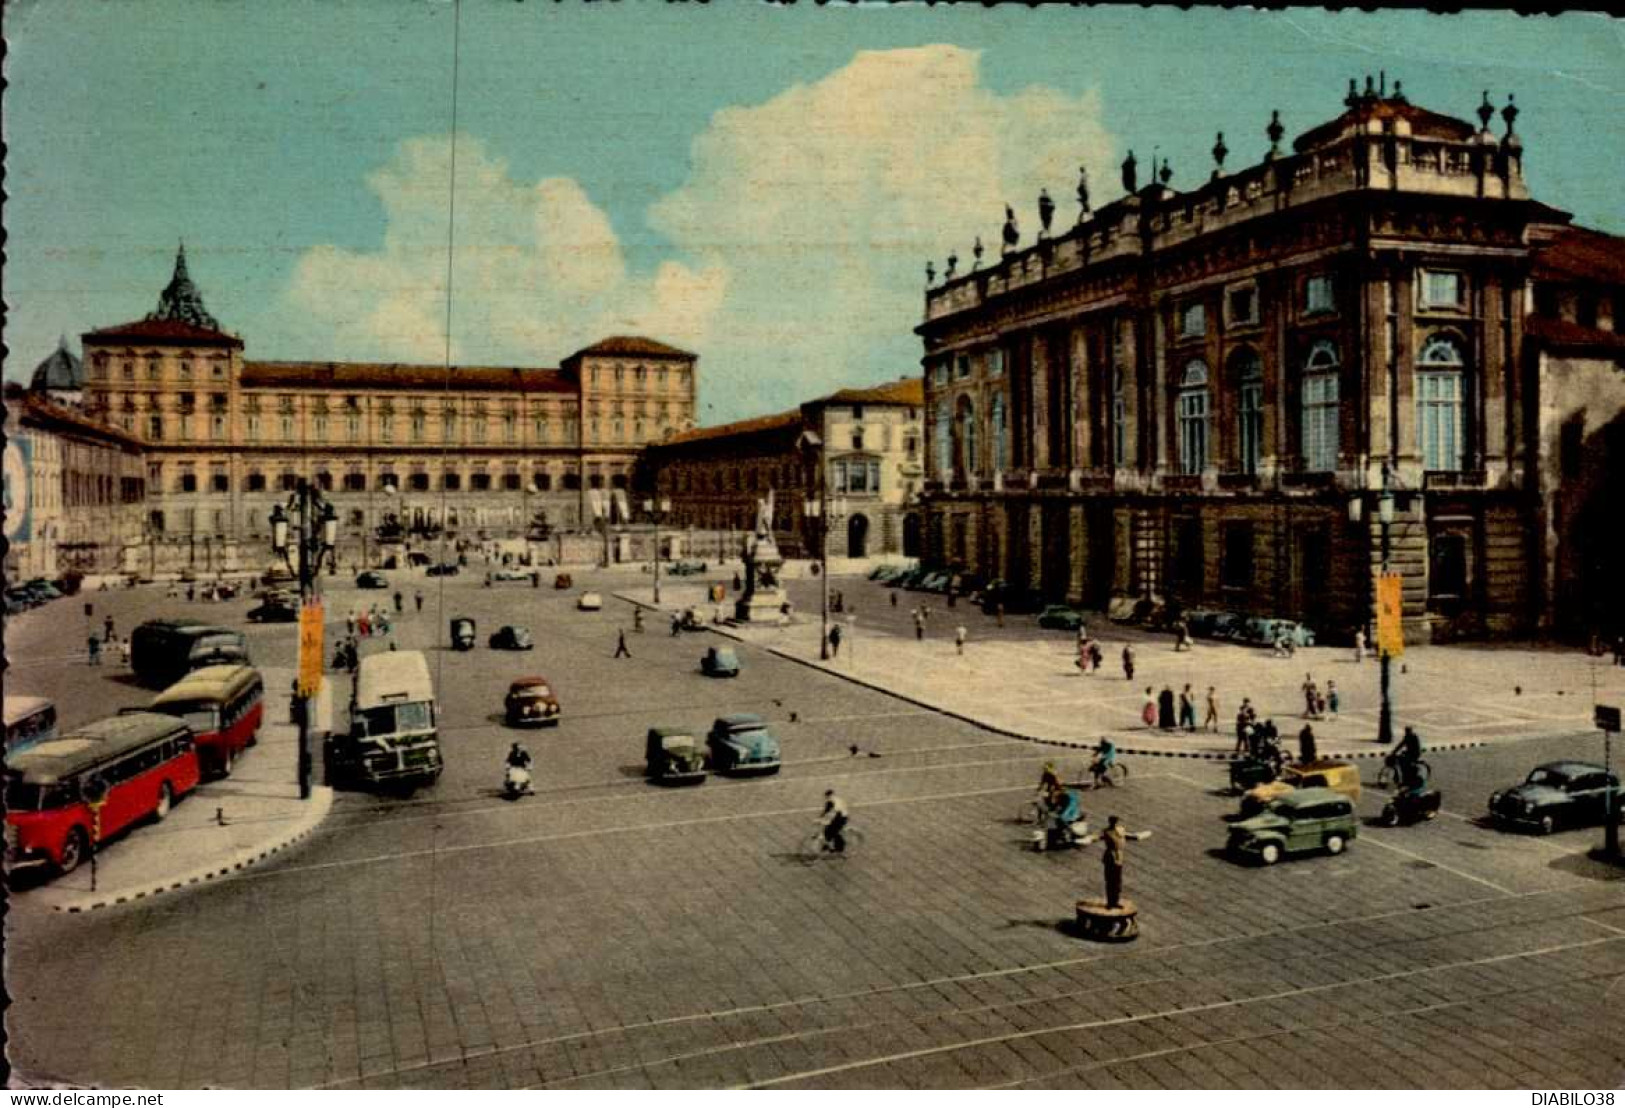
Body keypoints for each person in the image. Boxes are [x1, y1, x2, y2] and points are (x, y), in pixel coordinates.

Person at [1077, 816, 1151, 909]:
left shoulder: (1121, 829)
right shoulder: (1106, 831)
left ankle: (1115, 901)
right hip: (1110, 857)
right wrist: (1086, 839)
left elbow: (1129, 836)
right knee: (1110, 881)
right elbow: (1096, 837)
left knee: (1117, 881)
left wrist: (1140, 836)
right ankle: (1110, 902)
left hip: (1119, 857)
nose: (1114, 823)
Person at [819, 789, 849, 854]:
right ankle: (828, 843)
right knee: (827, 830)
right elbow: (826, 811)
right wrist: (820, 817)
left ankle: (840, 847)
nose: (827, 797)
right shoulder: (833, 800)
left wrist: (824, 819)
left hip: (842, 817)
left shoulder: (832, 801)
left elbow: (834, 812)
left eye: (827, 796)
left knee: (834, 831)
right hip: (840, 816)